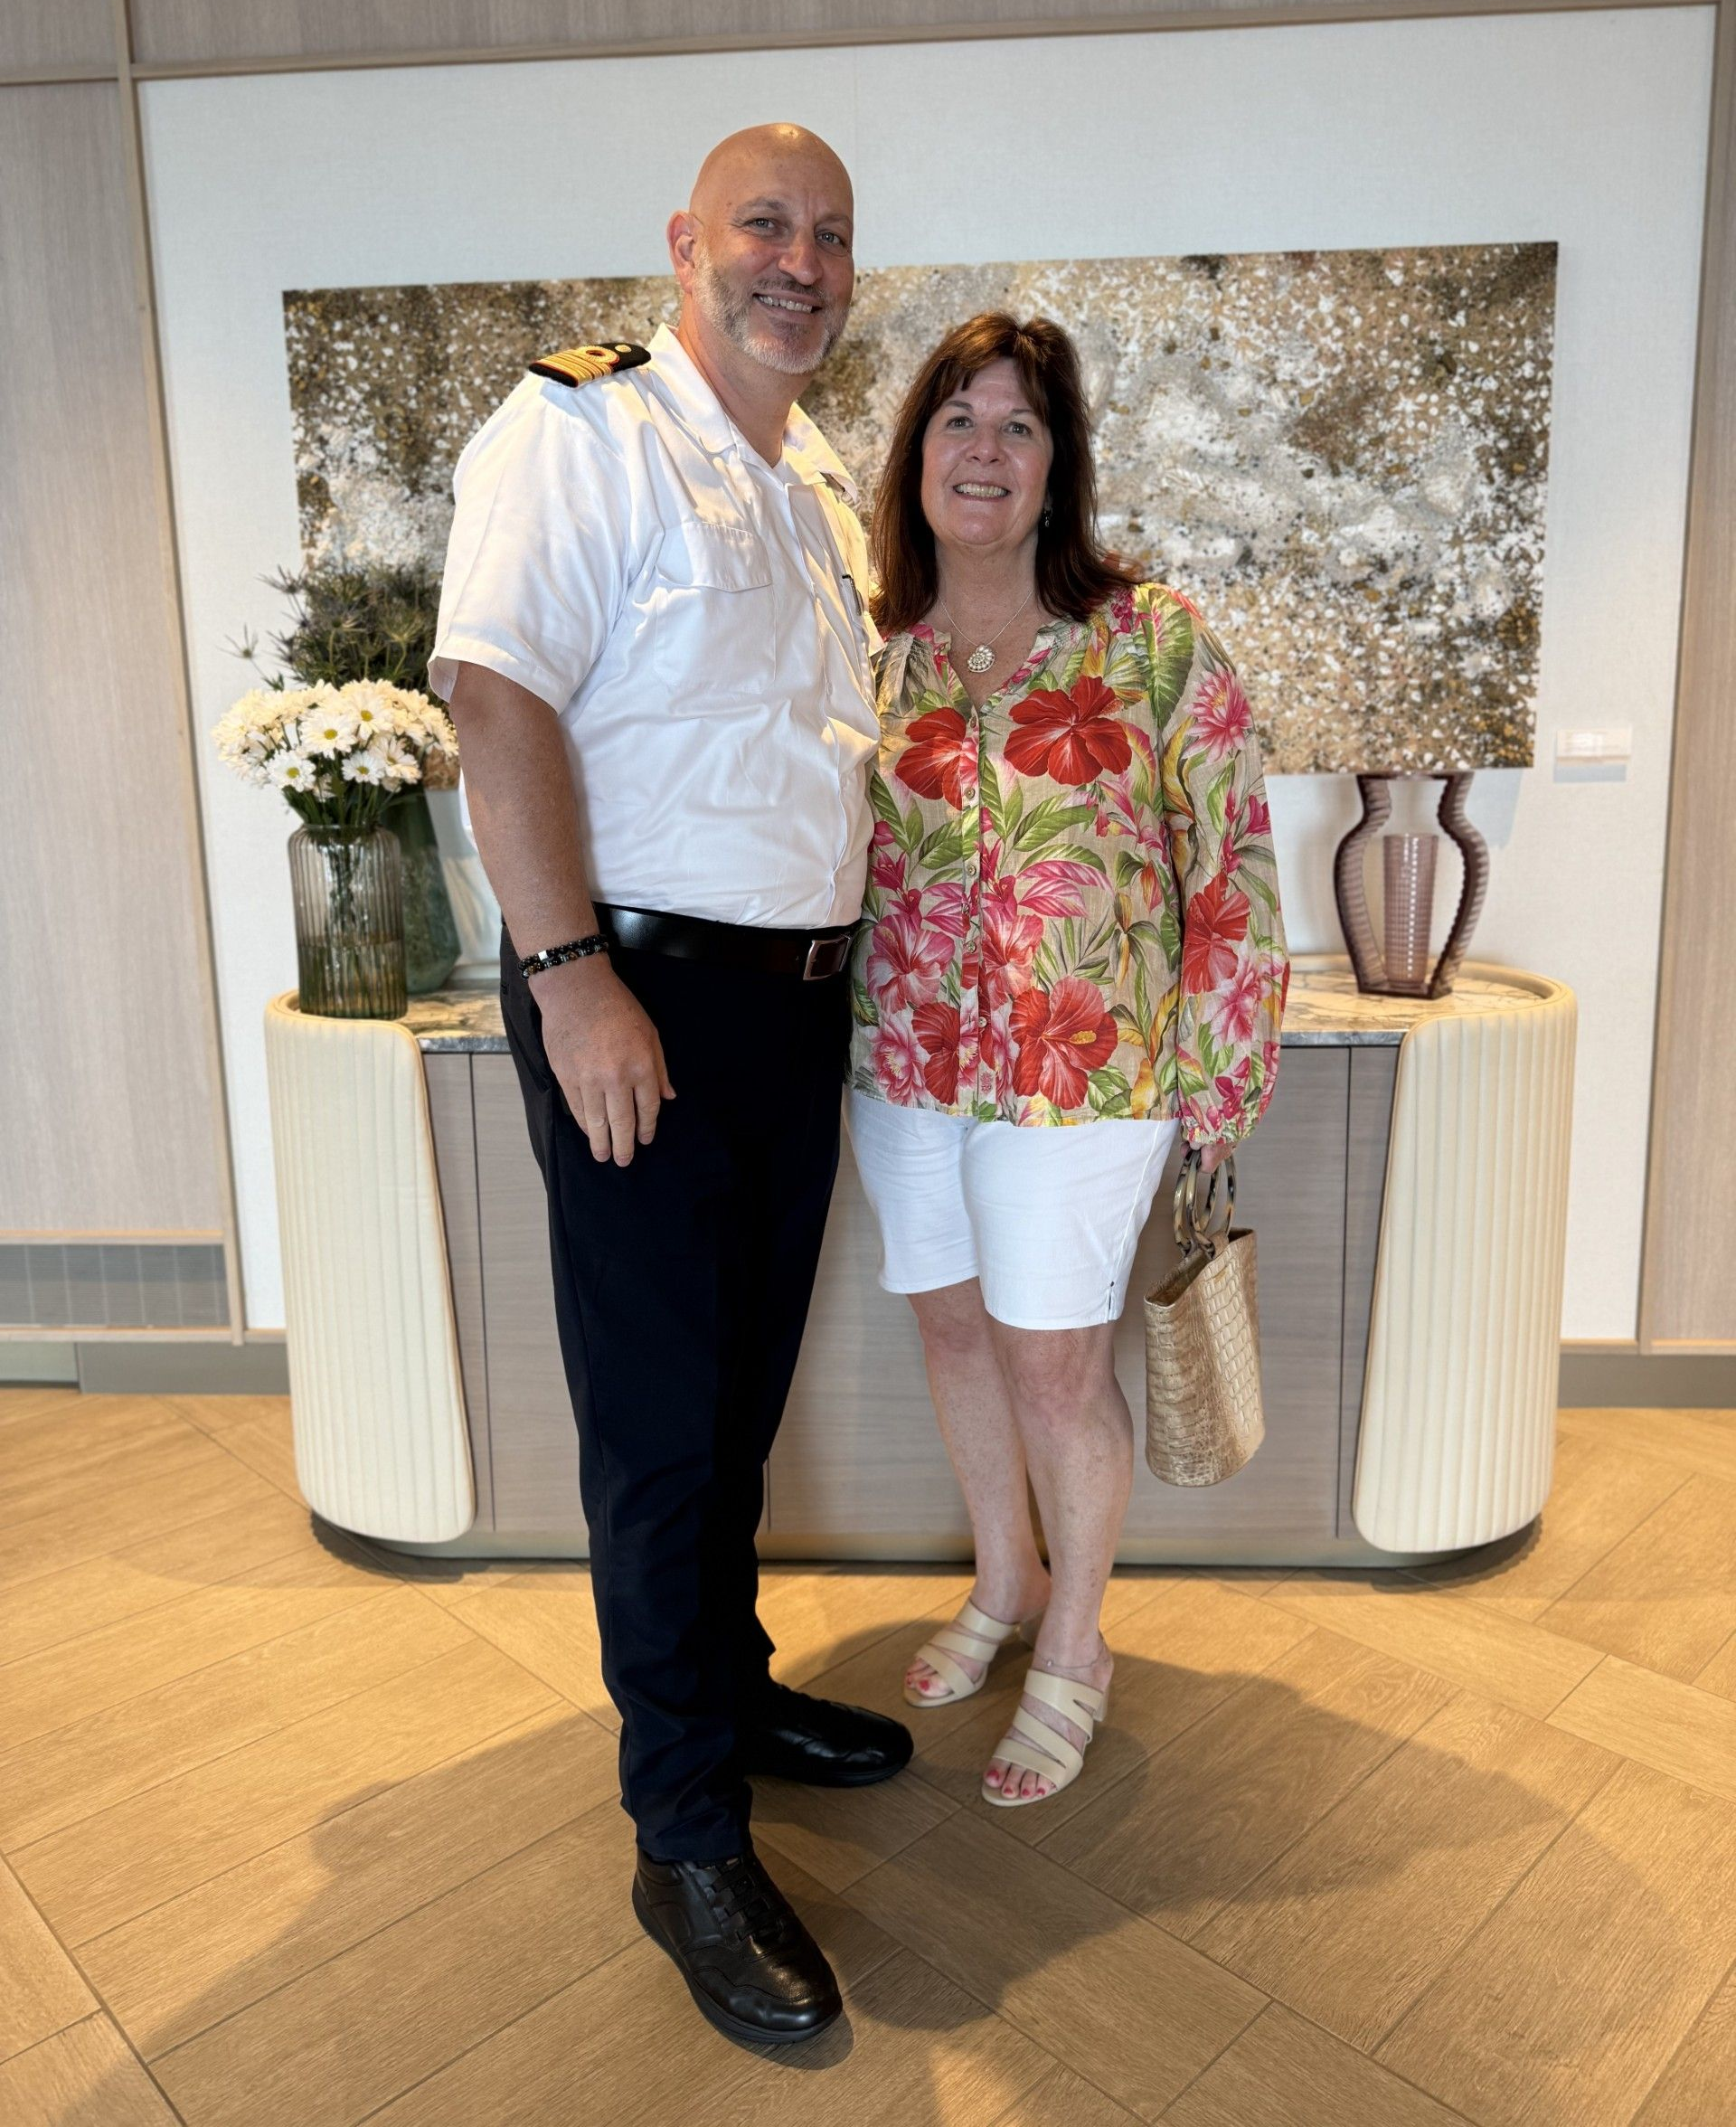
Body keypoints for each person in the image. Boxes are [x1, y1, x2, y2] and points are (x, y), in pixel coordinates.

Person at [429, 124, 912, 2049]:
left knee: (733, 1402)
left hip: (792, 1013)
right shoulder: (582, 433)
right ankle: (684, 1841)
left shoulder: (806, 485)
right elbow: (498, 696)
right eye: (763, 226)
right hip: (636, 994)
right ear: (684, 246)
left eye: (830, 237)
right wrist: (568, 981)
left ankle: (729, 1685)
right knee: (655, 1425)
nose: (798, 260)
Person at [847, 312, 1289, 1809]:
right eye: (957, 421)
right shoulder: (870, 652)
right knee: (954, 1334)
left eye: (1018, 425)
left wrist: (1223, 1077)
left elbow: (1227, 857)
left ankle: (1080, 1646)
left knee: (1053, 1363)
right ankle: (1007, 1577)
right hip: (904, 1055)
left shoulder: (1150, 638)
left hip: (1085, 1067)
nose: (984, 450)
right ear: (913, 458)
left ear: (1058, 466)